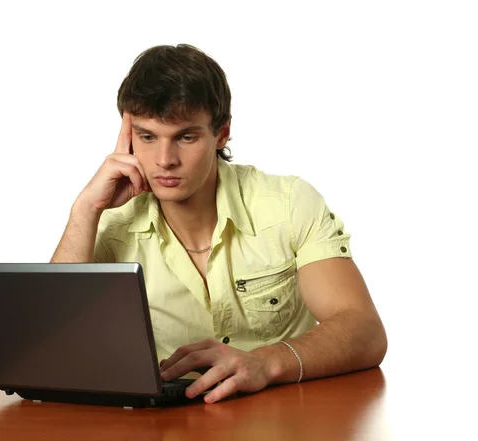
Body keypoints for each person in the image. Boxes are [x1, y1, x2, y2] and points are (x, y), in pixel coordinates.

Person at [51, 44, 387, 404]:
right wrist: (85, 210)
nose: (164, 160)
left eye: (185, 137)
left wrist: (265, 363)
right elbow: (51, 345)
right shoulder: (109, 222)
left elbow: (364, 330)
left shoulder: (289, 204)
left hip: (285, 416)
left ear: (222, 134)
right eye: (147, 137)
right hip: (169, 422)